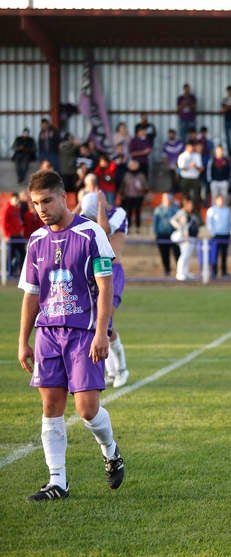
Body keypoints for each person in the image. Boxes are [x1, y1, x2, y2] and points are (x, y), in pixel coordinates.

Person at [17, 169, 125, 502]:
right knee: (51, 406)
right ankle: (57, 481)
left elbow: (105, 286)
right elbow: (32, 293)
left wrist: (101, 332)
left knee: (87, 408)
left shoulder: (91, 234)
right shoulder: (36, 241)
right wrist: (23, 340)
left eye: (47, 201)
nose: (42, 209)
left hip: (82, 333)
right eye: (36, 203)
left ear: (64, 197)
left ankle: (111, 450)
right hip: (48, 333)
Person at [79, 190, 130, 388]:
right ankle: (110, 372)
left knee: (105, 322)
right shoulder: (88, 218)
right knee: (96, 324)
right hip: (94, 272)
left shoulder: (119, 212)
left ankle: (122, 369)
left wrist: (99, 205)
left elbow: (104, 230)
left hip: (113, 272)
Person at [170, 197, 200, 281]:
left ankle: (185, 272)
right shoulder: (182, 212)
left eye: (192, 205)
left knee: (188, 256)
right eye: (189, 205)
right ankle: (180, 273)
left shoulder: (192, 214)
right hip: (185, 238)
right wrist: (180, 228)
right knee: (184, 255)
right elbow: (172, 220)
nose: (191, 206)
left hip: (192, 237)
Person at [205, 193, 231, 278]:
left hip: (225, 235)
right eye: (219, 200)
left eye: (222, 200)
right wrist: (213, 233)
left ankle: (224, 272)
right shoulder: (211, 210)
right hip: (216, 235)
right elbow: (209, 223)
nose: (221, 201)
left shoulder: (227, 210)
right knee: (215, 254)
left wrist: (229, 231)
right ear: (216, 200)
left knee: (224, 255)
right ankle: (214, 272)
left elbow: (229, 222)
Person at [153, 192, 180, 277]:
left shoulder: (176, 209)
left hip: (174, 235)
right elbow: (155, 223)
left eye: (169, 198)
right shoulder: (158, 210)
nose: (168, 200)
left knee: (177, 253)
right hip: (162, 235)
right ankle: (167, 271)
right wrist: (156, 233)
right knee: (165, 254)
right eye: (166, 198)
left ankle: (180, 270)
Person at [119, 160, 149, 234]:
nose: (133, 167)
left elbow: (145, 186)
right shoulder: (127, 174)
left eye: (135, 165)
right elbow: (123, 185)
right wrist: (122, 194)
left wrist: (142, 188)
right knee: (128, 212)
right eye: (132, 165)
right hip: (128, 196)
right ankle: (128, 228)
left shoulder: (141, 175)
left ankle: (138, 228)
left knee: (137, 212)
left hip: (138, 196)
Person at [1, 192, 26, 277]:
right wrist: (6, 235)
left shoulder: (17, 208)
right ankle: (8, 273)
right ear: (11, 199)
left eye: (18, 200)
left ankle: (22, 272)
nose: (17, 201)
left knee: (23, 253)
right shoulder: (6, 208)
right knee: (11, 255)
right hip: (11, 236)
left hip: (18, 235)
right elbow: (3, 222)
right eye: (15, 200)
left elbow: (18, 221)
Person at [177, 141, 204, 212]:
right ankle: (183, 210)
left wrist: (195, 166)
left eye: (192, 147)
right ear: (187, 147)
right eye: (190, 147)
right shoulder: (182, 156)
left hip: (195, 178)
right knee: (184, 196)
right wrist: (190, 166)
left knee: (196, 196)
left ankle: (195, 211)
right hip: (185, 178)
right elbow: (180, 169)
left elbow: (201, 169)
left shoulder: (197, 156)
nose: (191, 148)